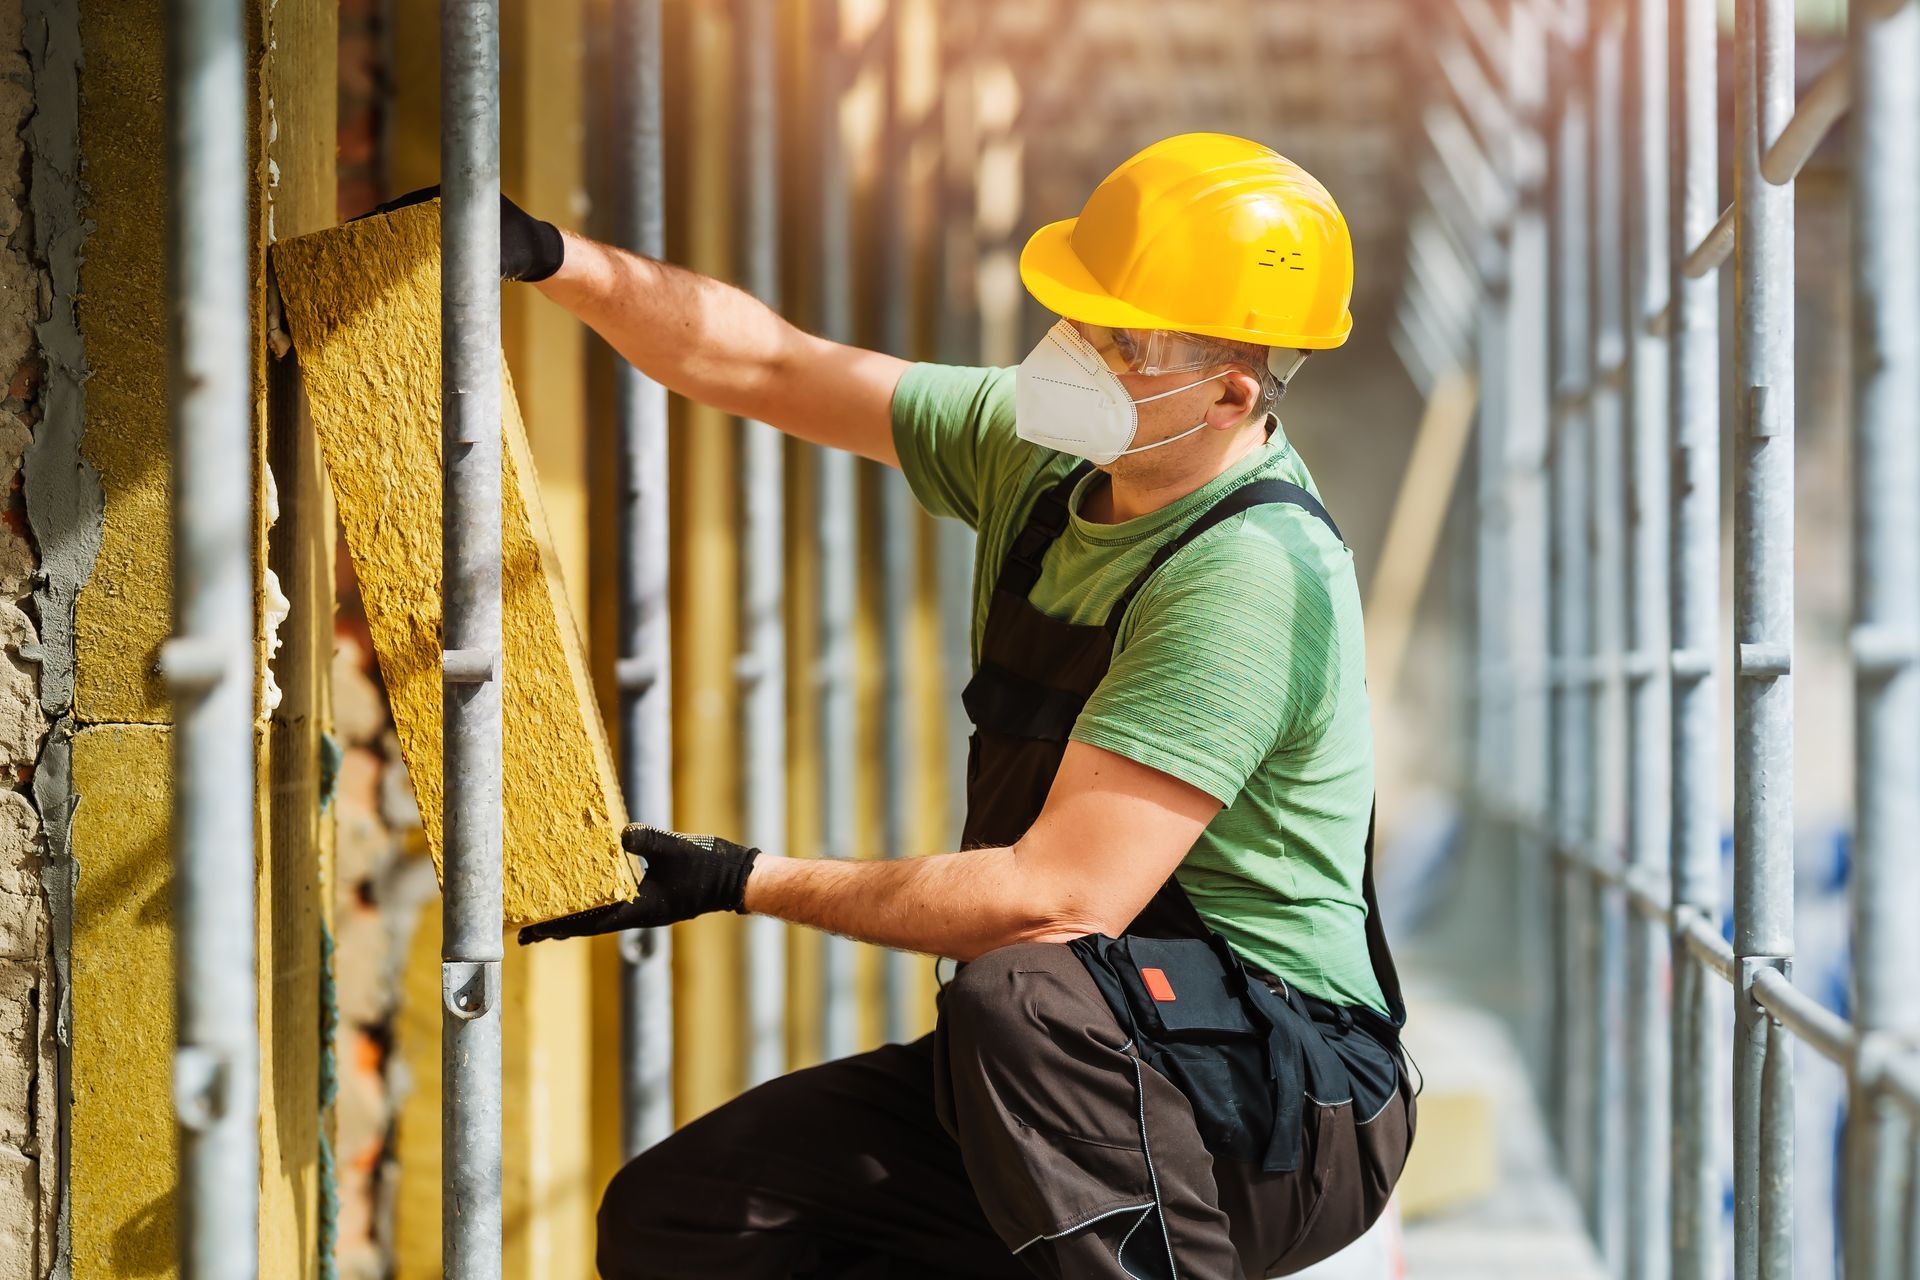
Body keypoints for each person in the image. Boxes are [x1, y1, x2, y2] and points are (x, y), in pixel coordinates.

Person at [435, 131, 1414, 1278]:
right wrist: (552, 256)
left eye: (1120, 336)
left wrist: (736, 877)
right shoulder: (1048, 462)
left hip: (1276, 1105)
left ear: (1229, 392)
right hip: (1095, 1064)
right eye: (1079, 312)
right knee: (691, 1214)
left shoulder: (1247, 576)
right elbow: (773, 367)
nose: (1075, 350)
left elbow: (1052, 896)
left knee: (1022, 990)